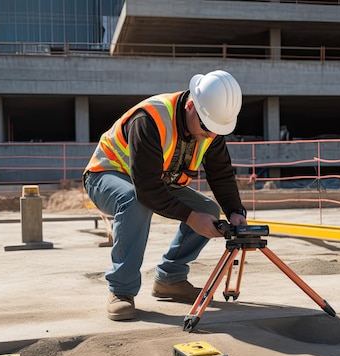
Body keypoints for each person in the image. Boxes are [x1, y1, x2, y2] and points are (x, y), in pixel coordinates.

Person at [83, 70, 248, 321]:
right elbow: (147, 191)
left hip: (154, 181)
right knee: (134, 200)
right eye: (207, 128)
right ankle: (121, 290)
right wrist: (190, 217)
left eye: (217, 130)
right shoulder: (150, 119)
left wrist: (236, 211)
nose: (211, 135)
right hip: (106, 175)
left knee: (210, 211)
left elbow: (221, 174)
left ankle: (169, 278)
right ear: (191, 105)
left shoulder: (209, 126)